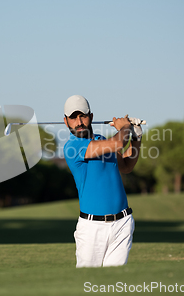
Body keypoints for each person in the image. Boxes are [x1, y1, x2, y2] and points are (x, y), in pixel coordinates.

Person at [63, 95, 142, 268]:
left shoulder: (101, 140)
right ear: (66, 121)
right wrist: (125, 128)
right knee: (87, 283)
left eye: (82, 116)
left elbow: (126, 166)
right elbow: (119, 142)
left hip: (122, 223)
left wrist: (136, 138)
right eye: (73, 118)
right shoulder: (72, 147)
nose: (79, 122)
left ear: (91, 117)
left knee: (113, 284)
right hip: (92, 228)